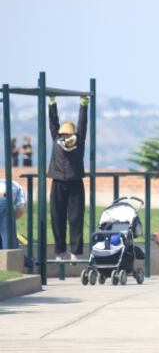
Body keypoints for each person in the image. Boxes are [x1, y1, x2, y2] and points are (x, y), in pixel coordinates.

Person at [48, 96, 88, 261]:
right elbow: (54, 123)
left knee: (75, 218)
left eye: (66, 134)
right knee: (58, 218)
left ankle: (73, 252)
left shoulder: (77, 140)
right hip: (60, 182)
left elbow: (81, 124)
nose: (65, 136)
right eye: (63, 134)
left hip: (73, 183)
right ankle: (62, 252)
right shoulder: (62, 140)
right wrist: (83, 105)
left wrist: (52, 102)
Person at [0, 179, 26, 249]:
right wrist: (12, 219)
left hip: (4, 199)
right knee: (8, 238)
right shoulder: (16, 185)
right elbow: (21, 208)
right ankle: (10, 258)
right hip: (4, 201)